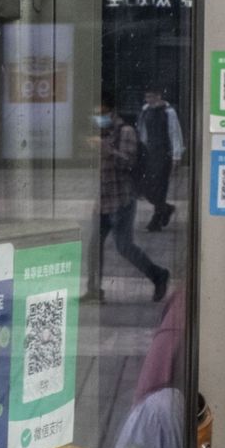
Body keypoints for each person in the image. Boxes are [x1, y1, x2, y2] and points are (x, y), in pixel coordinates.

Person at [88, 95, 169, 302]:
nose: (99, 117)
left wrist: (106, 150)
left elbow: (128, 163)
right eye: (96, 114)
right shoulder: (101, 133)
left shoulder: (125, 132)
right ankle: (93, 290)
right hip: (103, 202)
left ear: (112, 112)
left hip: (122, 200)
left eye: (102, 112)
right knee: (93, 247)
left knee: (124, 247)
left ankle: (158, 274)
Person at [137, 86, 182, 231]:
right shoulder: (145, 110)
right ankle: (166, 208)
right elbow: (142, 131)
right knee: (145, 187)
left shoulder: (169, 112)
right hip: (149, 153)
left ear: (159, 96)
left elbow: (175, 133)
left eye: (151, 97)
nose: (148, 100)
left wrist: (176, 155)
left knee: (160, 187)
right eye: (146, 97)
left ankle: (156, 220)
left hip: (163, 153)